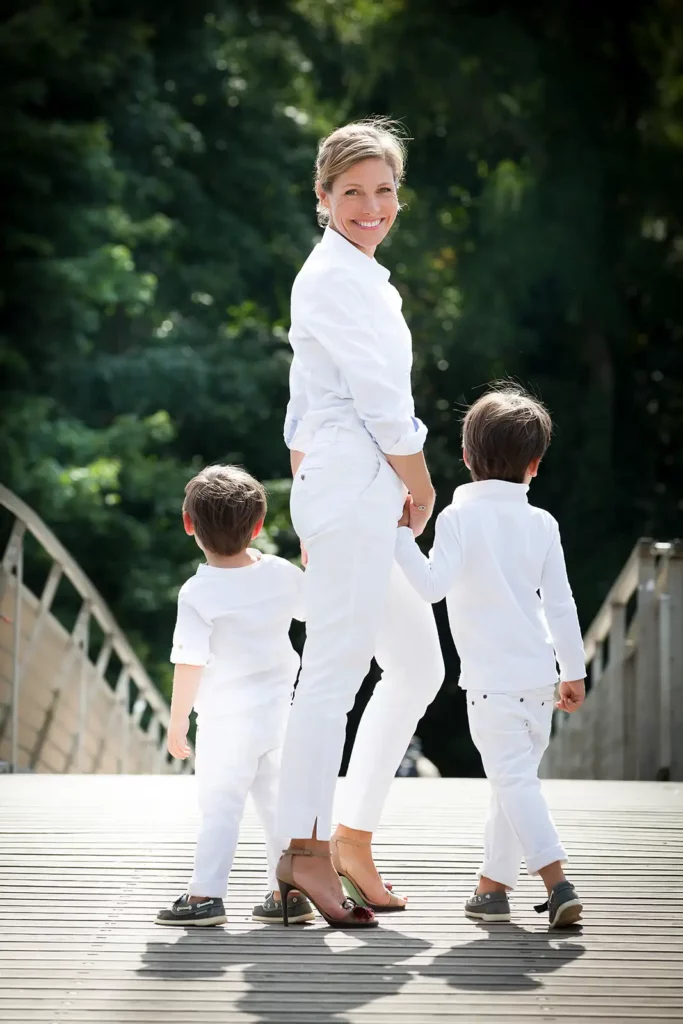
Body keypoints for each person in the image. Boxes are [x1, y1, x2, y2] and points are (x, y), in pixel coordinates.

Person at [275, 119, 445, 927]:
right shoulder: (333, 278)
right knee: (331, 677)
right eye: (352, 192)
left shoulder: (362, 277)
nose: (370, 206)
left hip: (352, 493)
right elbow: (379, 400)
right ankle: (302, 851)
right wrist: (419, 482)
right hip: (361, 484)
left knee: (416, 665)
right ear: (322, 197)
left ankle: (348, 837)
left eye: (383, 191)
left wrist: (314, 493)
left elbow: (301, 405)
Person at [395, 384, 586, 929]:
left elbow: (432, 587)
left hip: (490, 684)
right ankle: (492, 887)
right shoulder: (542, 524)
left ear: (465, 457)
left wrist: (402, 538)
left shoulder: (459, 519)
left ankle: (558, 882)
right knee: (513, 779)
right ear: (535, 464)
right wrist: (573, 671)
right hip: (538, 680)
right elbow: (562, 605)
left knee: (514, 781)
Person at [155, 465, 315, 927]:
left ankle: (206, 895)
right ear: (259, 525)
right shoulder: (281, 573)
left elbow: (190, 661)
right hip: (278, 715)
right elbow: (311, 610)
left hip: (226, 722)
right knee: (277, 804)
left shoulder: (198, 592)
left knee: (221, 806)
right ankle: (287, 892)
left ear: (189, 524)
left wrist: (178, 718)